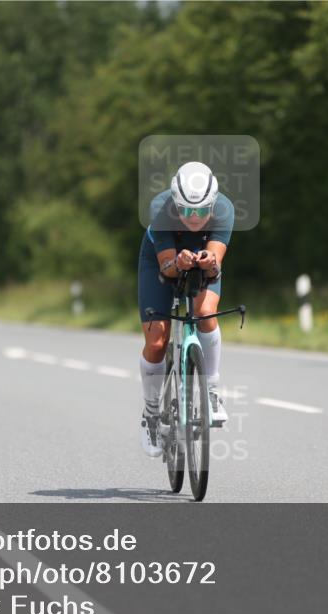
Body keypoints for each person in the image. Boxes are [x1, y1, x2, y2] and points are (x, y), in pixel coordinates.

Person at [138, 161, 233, 458]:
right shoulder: (160, 207)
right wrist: (177, 262)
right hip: (160, 261)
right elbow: (167, 267)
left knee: (204, 312)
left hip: (200, 263)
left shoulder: (224, 209)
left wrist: (208, 262)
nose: (195, 218)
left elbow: (216, 262)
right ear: (176, 203)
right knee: (156, 342)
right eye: (188, 211)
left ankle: (213, 391)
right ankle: (151, 413)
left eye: (202, 211)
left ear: (213, 204)